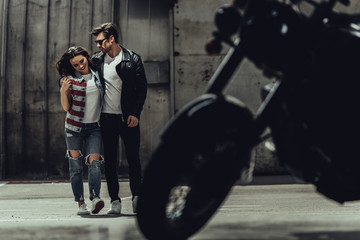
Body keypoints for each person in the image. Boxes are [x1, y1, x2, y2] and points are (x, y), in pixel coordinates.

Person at [90, 23, 147, 214]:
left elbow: (142, 89)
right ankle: (115, 201)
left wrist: (135, 114)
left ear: (111, 39)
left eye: (100, 41)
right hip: (107, 118)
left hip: (127, 118)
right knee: (111, 162)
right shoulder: (97, 60)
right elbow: (81, 75)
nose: (97, 45)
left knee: (133, 160)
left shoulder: (132, 59)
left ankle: (137, 198)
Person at [56, 46, 105, 215]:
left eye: (81, 61)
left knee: (95, 163)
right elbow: (66, 107)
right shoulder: (69, 79)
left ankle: (95, 198)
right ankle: (81, 203)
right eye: (75, 65)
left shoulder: (98, 74)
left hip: (95, 127)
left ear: (86, 57)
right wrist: (63, 91)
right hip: (73, 128)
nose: (80, 66)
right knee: (75, 167)